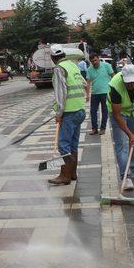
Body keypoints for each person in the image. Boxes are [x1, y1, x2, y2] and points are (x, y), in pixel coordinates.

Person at [48, 45, 87, 186]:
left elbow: (61, 92)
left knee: (63, 144)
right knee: (73, 144)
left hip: (69, 112)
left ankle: (65, 175)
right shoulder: (72, 65)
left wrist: (59, 113)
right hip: (80, 110)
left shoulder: (59, 69)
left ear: (52, 58)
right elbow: (84, 84)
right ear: (63, 54)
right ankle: (72, 173)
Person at [86, 53, 115, 135]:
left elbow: (113, 76)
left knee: (105, 111)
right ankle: (94, 128)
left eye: (95, 60)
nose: (94, 62)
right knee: (93, 111)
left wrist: (114, 90)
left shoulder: (106, 66)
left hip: (106, 92)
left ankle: (103, 128)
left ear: (98, 59)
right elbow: (88, 83)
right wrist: (87, 95)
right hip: (95, 93)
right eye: (92, 61)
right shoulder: (89, 69)